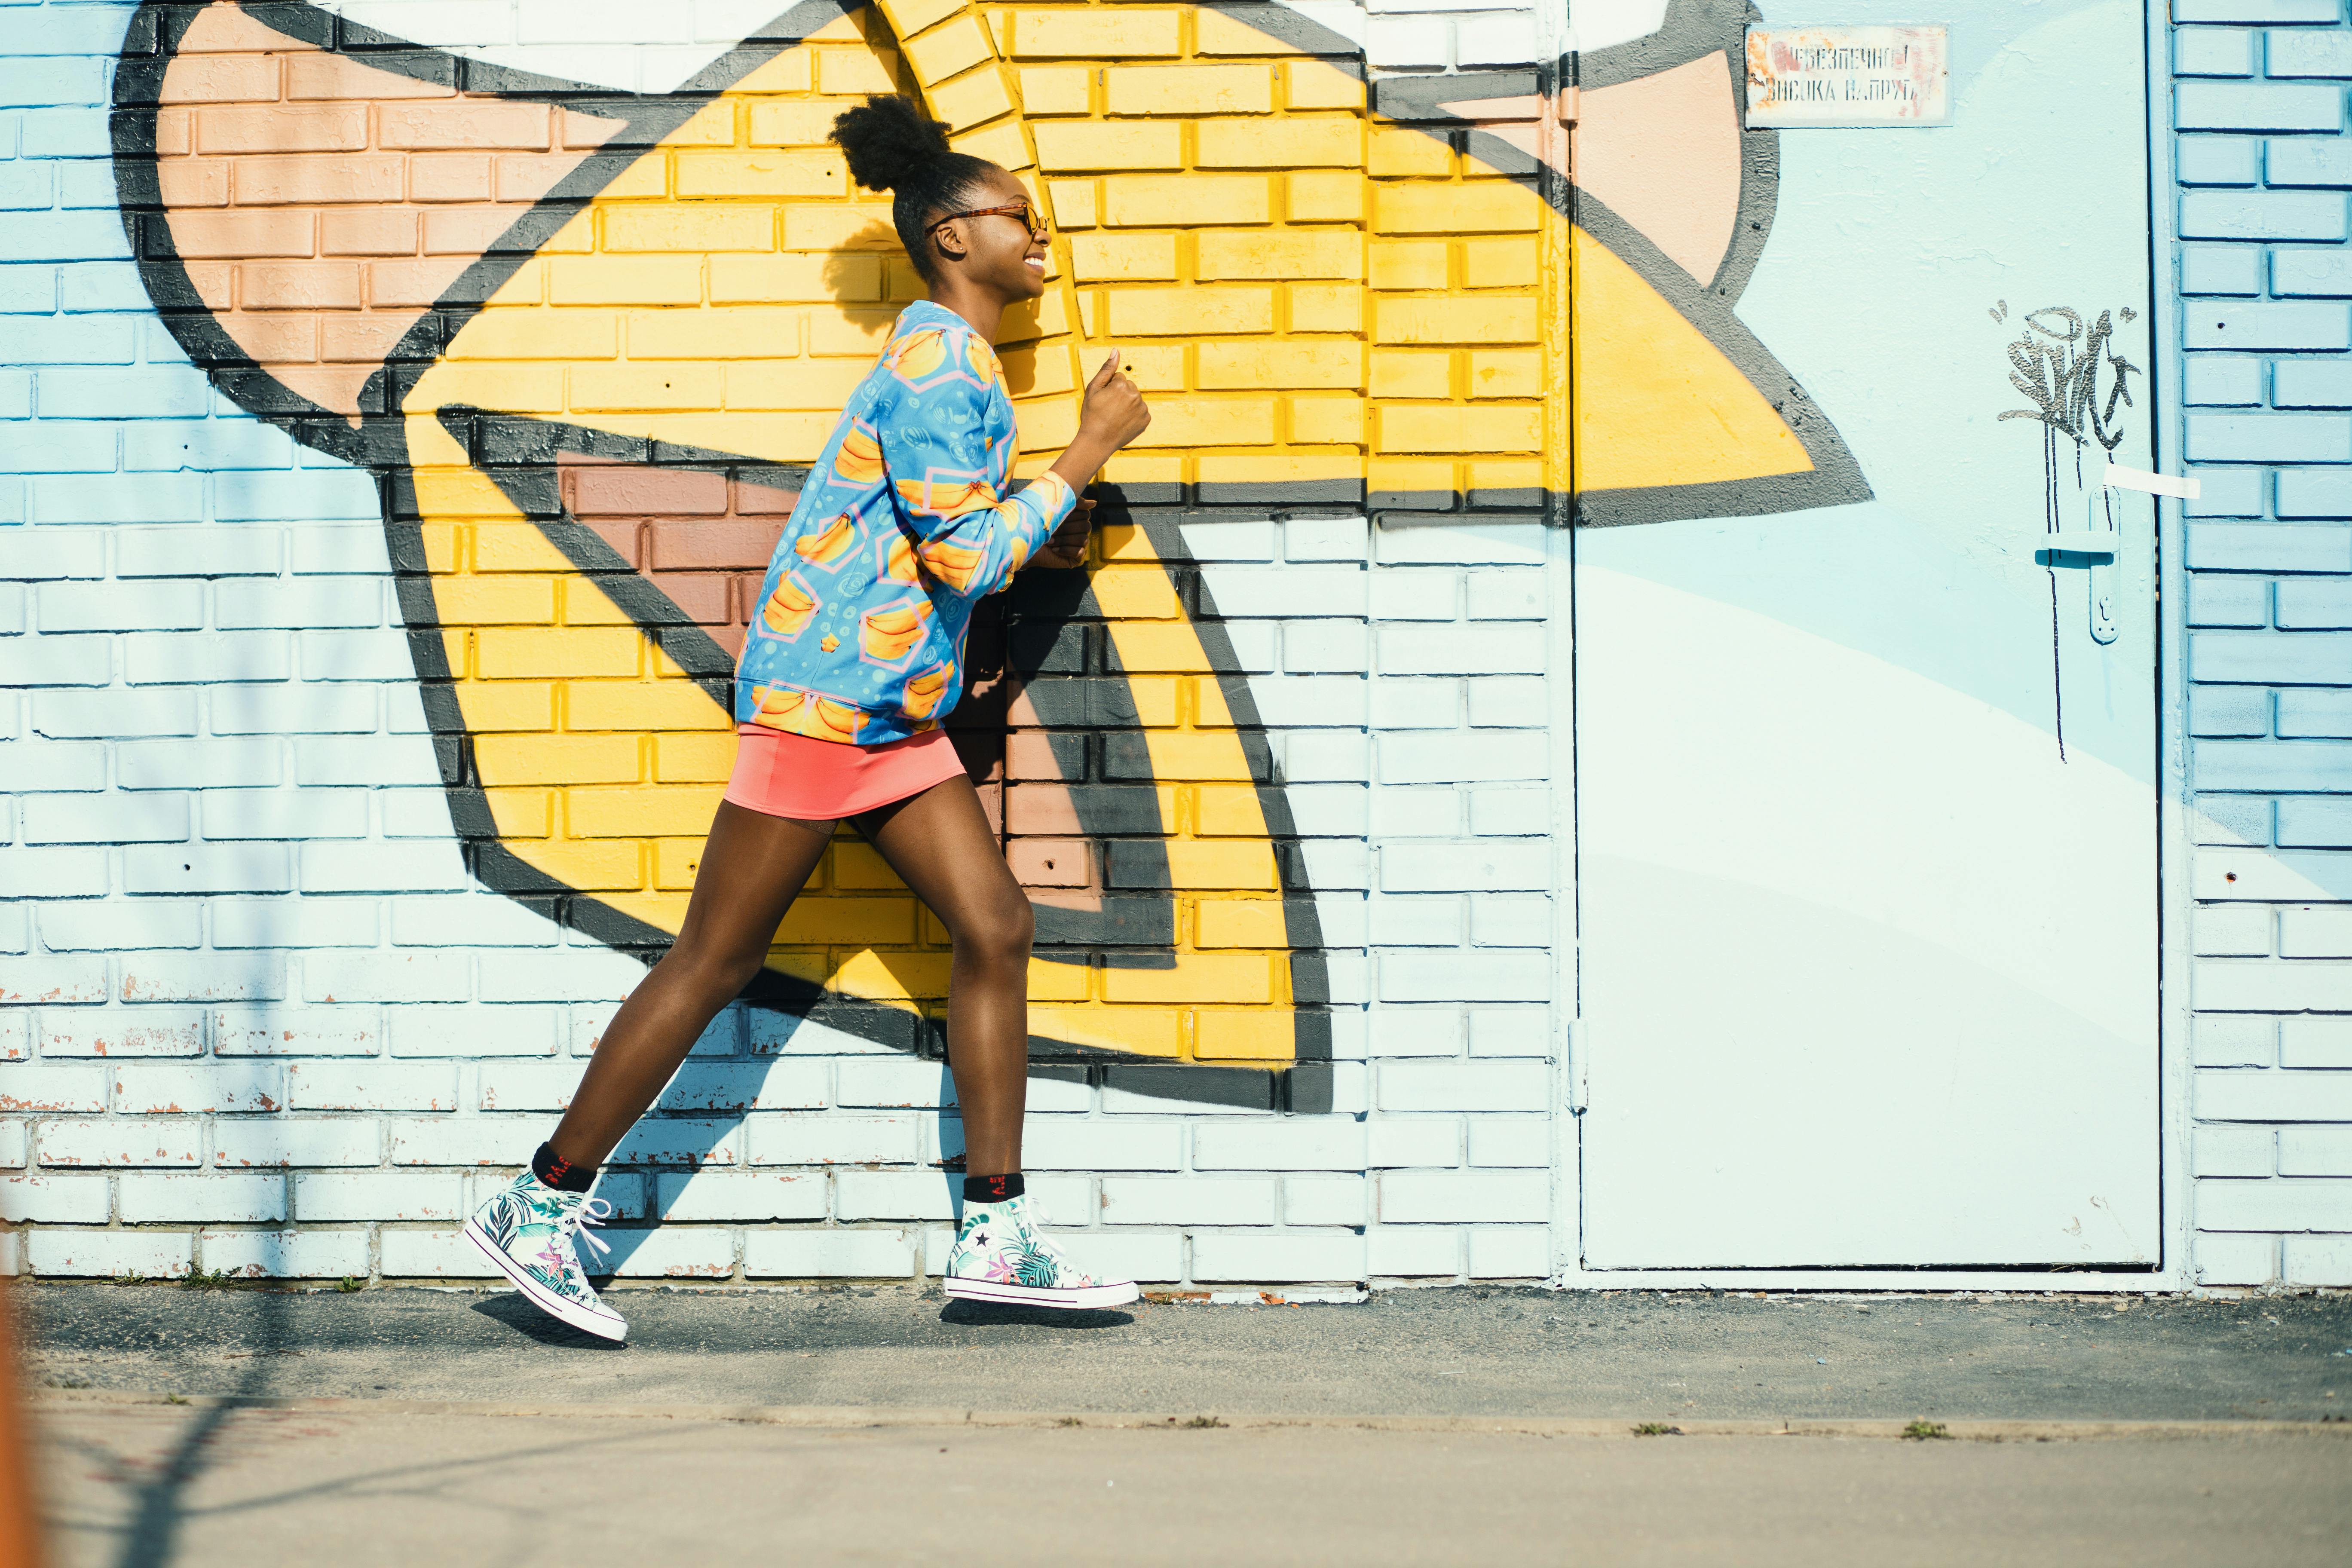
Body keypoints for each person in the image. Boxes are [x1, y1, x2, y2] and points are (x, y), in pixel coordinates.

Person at [461, 95, 1153, 1341]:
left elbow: (931, 547)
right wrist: (1084, 453)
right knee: (714, 961)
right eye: (1019, 218)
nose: (1040, 237)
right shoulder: (947, 361)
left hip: (883, 716)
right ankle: (540, 1200)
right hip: (832, 710)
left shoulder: (949, 363)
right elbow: (962, 560)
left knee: (994, 925)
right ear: (951, 235)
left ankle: (996, 1232)